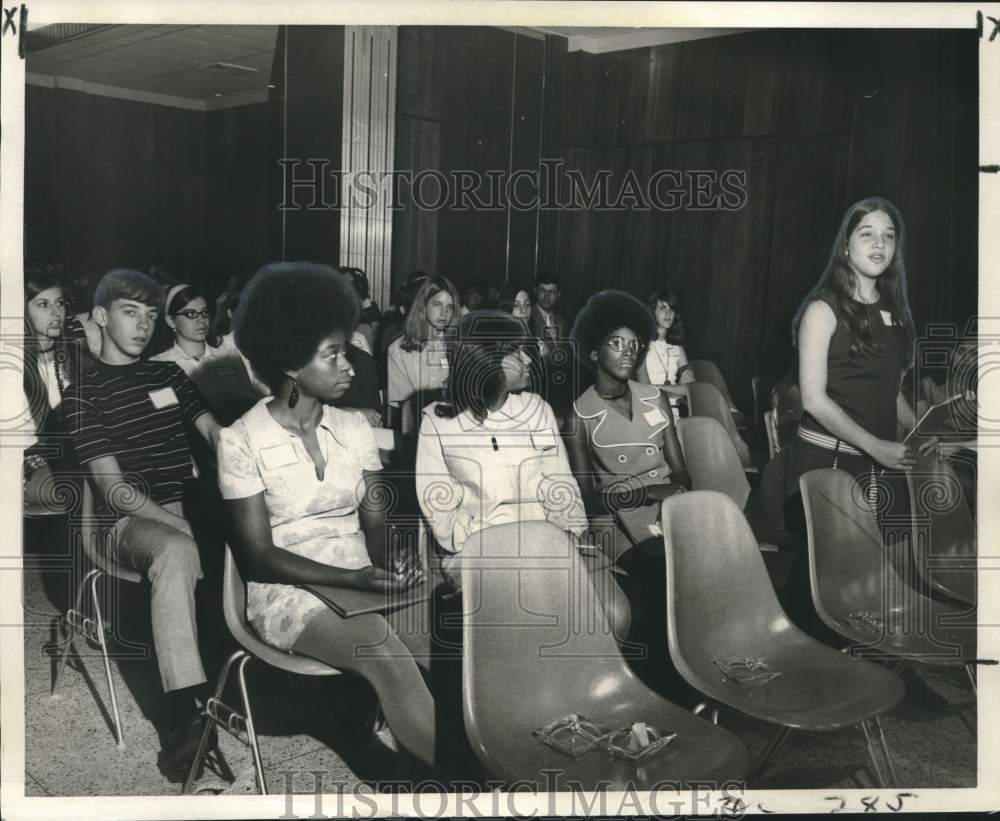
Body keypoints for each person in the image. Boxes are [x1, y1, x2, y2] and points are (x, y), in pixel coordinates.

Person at [217, 262, 437, 768]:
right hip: (289, 592)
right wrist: (355, 577)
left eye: (346, 351)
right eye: (333, 355)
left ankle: (487, 757)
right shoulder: (240, 440)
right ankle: (466, 785)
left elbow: (377, 522)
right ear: (291, 364)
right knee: (381, 650)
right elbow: (259, 557)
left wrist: (392, 559)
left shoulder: (356, 429)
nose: (350, 367)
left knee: (447, 640)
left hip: (361, 575)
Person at [62, 269, 222, 779]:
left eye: (152, 315)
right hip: (128, 523)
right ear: (102, 317)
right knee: (179, 553)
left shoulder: (168, 376)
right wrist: (184, 530)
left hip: (185, 506)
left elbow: (216, 435)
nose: (144, 325)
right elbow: (116, 491)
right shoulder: (82, 395)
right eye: (131, 313)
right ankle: (186, 717)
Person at [746, 197, 930, 628]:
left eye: (888, 236)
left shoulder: (895, 314)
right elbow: (813, 399)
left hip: (878, 463)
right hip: (827, 464)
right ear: (845, 247)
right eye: (867, 234)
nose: (879, 244)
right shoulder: (821, 310)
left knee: (878, 585)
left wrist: (919, 428)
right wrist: (876, 446)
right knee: (823, 591)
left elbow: (892, 393)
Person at [415, 310, 630, 642]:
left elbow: (561, 482)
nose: (528, 359)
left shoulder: (537, 410)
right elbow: (437, 506)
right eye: (515, 352)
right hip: (481, 551)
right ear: (486, 361)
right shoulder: (438, 422)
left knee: (613, 613)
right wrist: (486, 539)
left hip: (547, 542)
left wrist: (570, 531)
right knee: (529, 623)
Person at [564, 290, 691, 565]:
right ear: (595, 352)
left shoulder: (654, 398)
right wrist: (647, 493)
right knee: (661, 566)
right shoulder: (580, 415)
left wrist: (672, 499)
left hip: (667, 509)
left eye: (634, 345)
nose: (628, 353)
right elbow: (586, 502)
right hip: (616, 519)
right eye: (617, 343)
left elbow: (681, 473)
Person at [149, 284, 258, 425]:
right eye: (191, 314)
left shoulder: (231, 357)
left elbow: (251, 403)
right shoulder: (157, 366)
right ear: (171, 321)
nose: (201, 321)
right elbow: (165, 415)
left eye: (205, 313)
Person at [22, 269, 77, 507]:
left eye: (60, 303)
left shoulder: (74, 359)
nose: (57, 313)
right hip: (24, 464)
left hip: (72, 455)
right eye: (43, 305)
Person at [385, 275, 460, 427]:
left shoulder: (459, 346)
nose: (444, 312)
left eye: (449, 307)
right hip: (415, 425)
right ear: (423, 306)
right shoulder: (399, 349)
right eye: (437, 304)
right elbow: (399, 405)